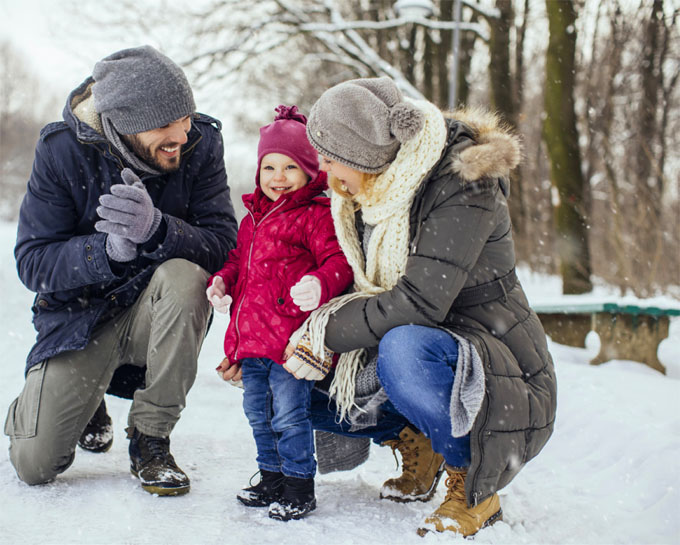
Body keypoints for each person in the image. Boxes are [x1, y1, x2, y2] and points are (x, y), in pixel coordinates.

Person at [287, 77, 557, 537]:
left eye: (330, 156)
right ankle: (420, 439)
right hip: (430, 343)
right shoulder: (369, 191)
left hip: (498, 370)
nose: (323, 167)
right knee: (287, 371)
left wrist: (323, 331)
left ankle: (473, 481)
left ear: (365, 153)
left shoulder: (464, 182)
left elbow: (419, 303)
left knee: (402, 350)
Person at [4, 45, 238, 496]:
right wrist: (107, 252)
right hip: (80, 321)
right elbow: (33, 262)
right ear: (122, 128)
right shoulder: (61, 151)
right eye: (164, 130)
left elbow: (223, 246)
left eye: (185, 121)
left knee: (187, 276)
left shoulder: (201, 143)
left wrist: (157, 230)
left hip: (156, 312)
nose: (182, 137)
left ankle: (150, 438)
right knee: (34, 465)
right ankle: (70, 400)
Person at [205, 105, 353, 520]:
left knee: (289, 415)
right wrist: (222, 282)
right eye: (269, 166)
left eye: (290, 167)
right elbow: (238, 262)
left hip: (292, 343)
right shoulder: (251, 219)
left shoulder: (315, 215)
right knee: (258, 412)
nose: (278, 177)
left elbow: (339, 261)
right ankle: (270, 476)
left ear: (310, 171)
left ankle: (299, 485)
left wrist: (321, 283)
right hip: (252, 340)